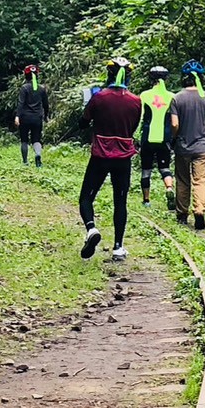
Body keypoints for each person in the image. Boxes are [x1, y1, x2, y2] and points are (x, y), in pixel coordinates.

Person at [78, 56, 141, 262]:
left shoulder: (99, 98)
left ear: (109, 75)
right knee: (120, 201)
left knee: (86, 197)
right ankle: (118, 247)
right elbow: (132, 128)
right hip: (123, 158)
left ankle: (91, 229)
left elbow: (84, 121)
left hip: (100, 156)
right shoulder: (136, 101)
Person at [171, 60, 205, 231]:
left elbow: (174, 124)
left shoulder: (177, 98)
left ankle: (182, 214)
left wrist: (175, 136)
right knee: (200, 181)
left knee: (183, 180)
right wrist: (201, 125)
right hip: (201, 147)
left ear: (184, 79)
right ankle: (199, 210)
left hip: (182, 147)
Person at [136, 66, 175, 205]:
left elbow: (140, 117)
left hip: (148, 137)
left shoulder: (144, 95)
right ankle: (169, 188)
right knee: (165, 168)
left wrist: (136, 137)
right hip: (164, 138)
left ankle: (146, 200)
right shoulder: (172, 96)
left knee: (146, 170)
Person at [14, 65, 49, 167]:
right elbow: (46, 105)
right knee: (36, 140)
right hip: (37, 117)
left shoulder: (24, 88)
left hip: (25, 117)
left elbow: (21, 103)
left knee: (24, 140)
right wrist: (46, 116)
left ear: (26, 76)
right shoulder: (42, 89)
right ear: (36, 75)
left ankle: (25, 162)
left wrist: (17, 116)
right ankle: (38, 155)